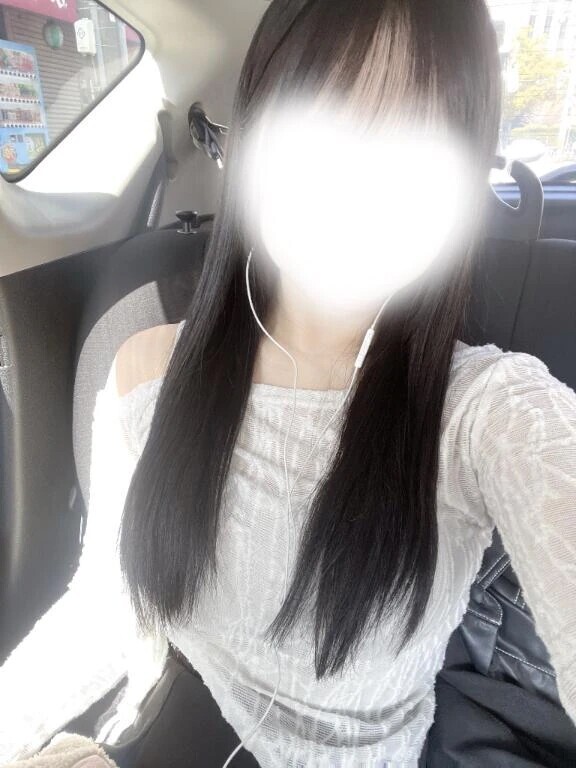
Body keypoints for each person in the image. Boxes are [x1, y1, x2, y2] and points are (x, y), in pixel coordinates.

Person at [2, 1, 576, 766]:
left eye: (422, 135)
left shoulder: (484, 412)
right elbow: (108, 608)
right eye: (323, 106)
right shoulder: (145, 370)